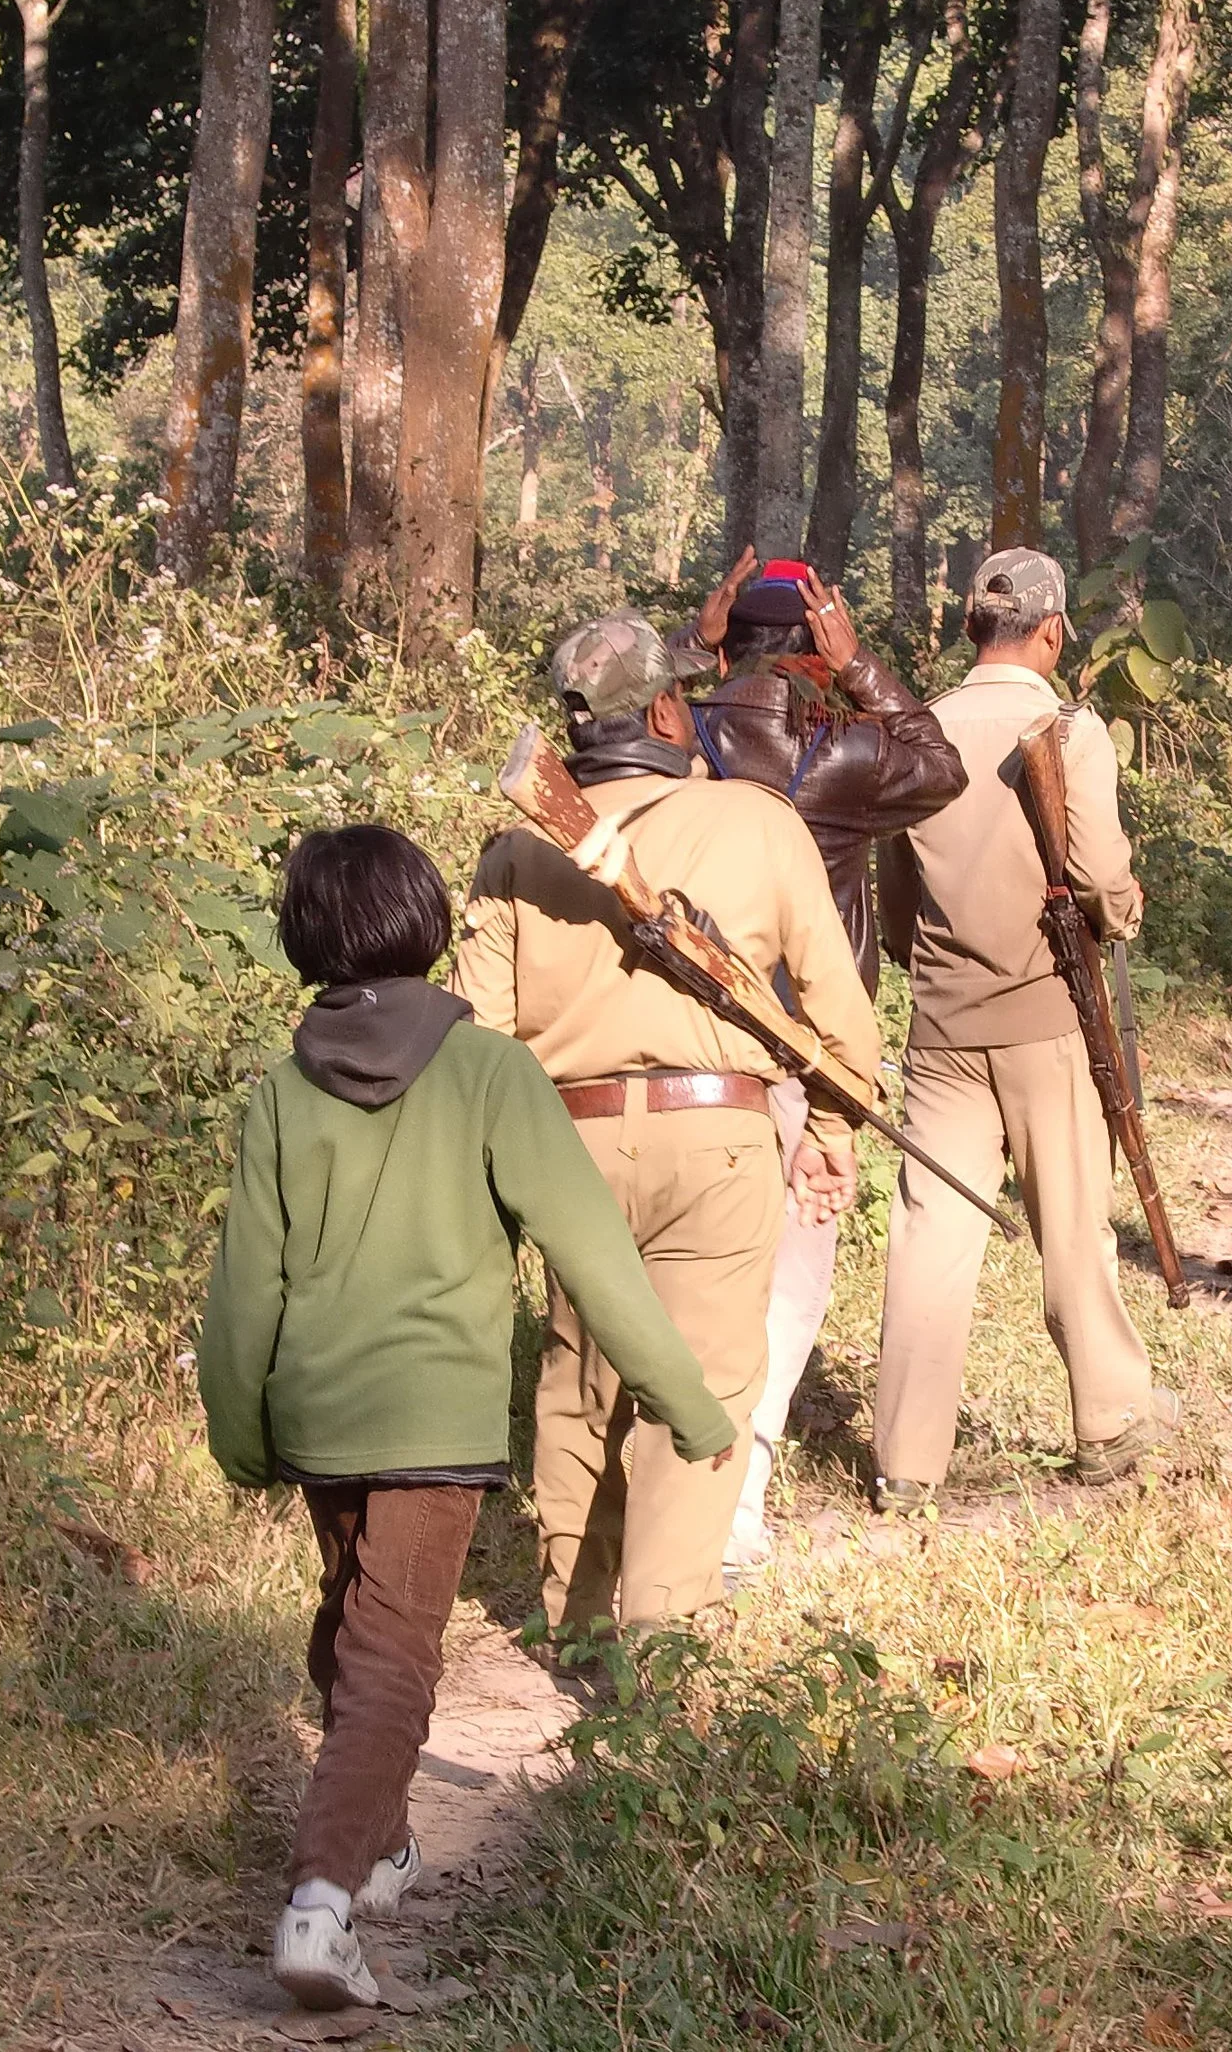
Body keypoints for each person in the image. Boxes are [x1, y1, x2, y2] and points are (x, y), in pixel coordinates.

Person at [198, 825, 736, 2014]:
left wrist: (238, 1428)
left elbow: (245, 1286)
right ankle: (320, 1901)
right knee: (390, 1656)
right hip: (433, 1421)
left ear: (303, 936)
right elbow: (592, 1252)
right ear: (426, 920)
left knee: (352, 1629)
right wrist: (687, 1401)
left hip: (320, 1414)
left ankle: (380, 1844)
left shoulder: (284, 1090)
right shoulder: (491, 1070)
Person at [450, 612, 880, 1632]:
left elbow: (478, 1037)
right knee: (705, 1382)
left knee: (581, 1381)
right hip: (719, 1140)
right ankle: (661, 1631)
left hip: (570, 1148)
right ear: (662, 712)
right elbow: (840, 1011)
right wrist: (831, 1131)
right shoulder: (759, 821)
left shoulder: (517, 850)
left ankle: (577, 1623)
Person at [674, 553, 966, 1568]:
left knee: (687, 1262)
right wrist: (862, 668)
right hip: (806, 1043)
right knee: (792, 1271)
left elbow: (596, 728)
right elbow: (940, 767)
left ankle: (672, 1488)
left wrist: (691, 648)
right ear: (814, 646)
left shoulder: (678, 730)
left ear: (734, 640)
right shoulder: (844, 752)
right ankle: (741, 1498)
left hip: (693, 1038)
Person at [871, 547, 1174, 1509]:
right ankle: (1108, 1420)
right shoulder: (1070, 732)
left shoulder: (915, 730)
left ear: (971, 628)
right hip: (1052, 1017)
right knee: (1074, 1225)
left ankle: (906, 1460)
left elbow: (894, 898)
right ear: (1051, 633)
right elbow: (1098, 877)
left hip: (941, 1029)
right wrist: (1124, 910)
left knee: (931, 1236)